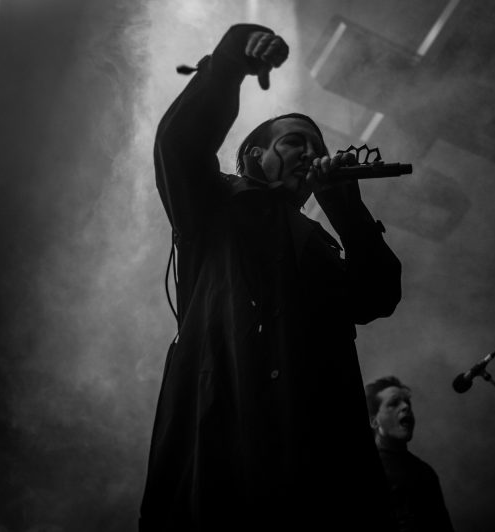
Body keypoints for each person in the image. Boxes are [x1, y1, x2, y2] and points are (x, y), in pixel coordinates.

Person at [140, 23, 402, 531]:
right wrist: (232, 60)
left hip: (317, 453)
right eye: (294, 141)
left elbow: (377, 297)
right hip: (228, 440)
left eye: (316, 145)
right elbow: (179, 144)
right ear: (253, 156)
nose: (310, 152)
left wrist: (347, 209)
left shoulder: (319, 241)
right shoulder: (213, 204)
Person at [365, 376, 455, 532]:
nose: (406, 406)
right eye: (394, 403)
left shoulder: (425, 472)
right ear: (374, 422)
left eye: (407, 402)